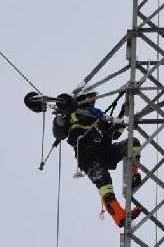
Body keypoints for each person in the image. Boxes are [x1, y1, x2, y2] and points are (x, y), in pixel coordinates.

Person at [23, 90, 142, 228]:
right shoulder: (71, 112)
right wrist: (60, 119)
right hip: (87, 153)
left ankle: (132, 177)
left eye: (94, 97)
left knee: (133, 143)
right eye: (90, 97)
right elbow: (59, 132)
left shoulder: (98, 116)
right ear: (82, 97)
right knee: (103, 180)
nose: (93, 99)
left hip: (104, 151)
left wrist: (126, 110)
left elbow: (115, 132)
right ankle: (118, 215)